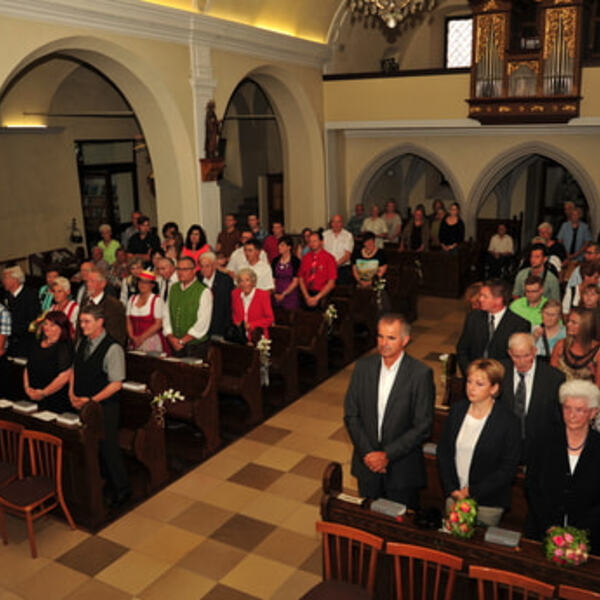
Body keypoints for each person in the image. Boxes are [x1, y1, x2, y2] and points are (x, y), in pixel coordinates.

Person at [344, 314, 434, 509]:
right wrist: (368, 453)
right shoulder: (363, 367)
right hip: (367, 466)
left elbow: (423, 426)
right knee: (368, 522)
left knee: (399, 525)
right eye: (380, 336)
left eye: (391, 338)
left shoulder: (420, 374)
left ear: (405, 340)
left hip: (401, 469)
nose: (384, 343)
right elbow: (351, 415)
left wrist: (386, 455)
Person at [437, 359, 521, 526]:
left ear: (494, 388)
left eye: (479, 384)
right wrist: (453, 489)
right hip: (454, 497)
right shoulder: (457, 411)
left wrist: (471, 492)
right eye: (469, 381)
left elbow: (507, 468)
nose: (471, 387)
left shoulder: (508, 421)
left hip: (488, 503)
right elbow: (444, 452)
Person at [526, 380, 600, 555]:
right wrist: (550, 526)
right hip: (542, 531)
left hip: (589, 537)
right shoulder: (544, 439)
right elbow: (532, 485)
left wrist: (578, 532)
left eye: (579, 410)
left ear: (593, 413)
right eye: (567, 408)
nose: (572, 415)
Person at [69, 304, 130, 507]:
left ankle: (122, 489)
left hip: (105, 407)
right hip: (83, 403)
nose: (82, 325)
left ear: (100, 322)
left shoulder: (113, 348)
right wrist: (72, 393)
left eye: (86, 321)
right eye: (81, 321)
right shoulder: (81, 343)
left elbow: (116, 384)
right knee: (89, 446)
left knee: (108, 448)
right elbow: (74, 370)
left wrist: (92, 400)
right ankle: (100, 482)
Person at [499, 333, 565, 461]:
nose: (522, 362)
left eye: (527, 356)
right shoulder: (499, 371)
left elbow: (557, 418)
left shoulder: (553, 378)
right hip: (503, 445)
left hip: (539, 447)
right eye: (516, 356)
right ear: (509, 353)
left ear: (535, 351)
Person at [457, 279, 530, 375]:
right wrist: (469, 371)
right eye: (481, 295)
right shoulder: (473, 317)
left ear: (498, 300)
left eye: (485, 296)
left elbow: (517, 359)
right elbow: (462, 349)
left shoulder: (519, 325)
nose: (480, 299)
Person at [23, 311, 73, 413]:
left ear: (61, 328)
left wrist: (43, 393)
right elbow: (27, 367)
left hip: (53, 399)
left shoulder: (64, 347)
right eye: (45, 324)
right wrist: (27, 387)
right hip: (31, 395)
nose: (47, 327)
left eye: (52, 325)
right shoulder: (37, 343)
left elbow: (65, 376)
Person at [163, 256, 212, 357]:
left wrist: (182, 341)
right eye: (178, 269)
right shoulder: (173, 288)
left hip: (195, 346)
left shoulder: (204, 291)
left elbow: (203, 322)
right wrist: (170, 336)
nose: (181, 272)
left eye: (185, 269)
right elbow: (166, 314)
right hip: (174, 343)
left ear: (194, 270)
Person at [78, 268, 127, 347]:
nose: (88, 284)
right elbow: (79, 329)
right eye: (87, 281)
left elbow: (117, 334)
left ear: (103, 284)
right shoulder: (85, 301)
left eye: (92, 281)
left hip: (106, 350)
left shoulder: (114, 305)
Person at [551, 307, 600, 386]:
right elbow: (551, 376)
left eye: (574, 322)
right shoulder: (560, 345)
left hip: (587, 396)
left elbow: (598, 386)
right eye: (568, 321)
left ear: (586, 326)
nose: (568, 324)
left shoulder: (597, 352)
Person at [1, 265, 40, 358]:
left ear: (15, 279)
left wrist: (9, 330)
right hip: (8, 345)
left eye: (5, 278)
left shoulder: (31, 295)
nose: (3, 281)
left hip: (25, 344)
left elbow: (31, 321)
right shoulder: (3, 296)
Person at [126, 270, 165, 352]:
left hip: (151, 340)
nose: (142, 285)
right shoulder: (132, 299)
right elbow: (128, 321)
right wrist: (132, 337)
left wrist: (141, 338)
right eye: (140, 281)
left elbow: (158, 324)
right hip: (134, 340)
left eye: (146, 282)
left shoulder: (157, 300)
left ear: (152, 285)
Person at [231, 268, 275, 342]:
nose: (244, 284)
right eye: (241, 281)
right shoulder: (235, 294)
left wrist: (251, 325)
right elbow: (234, 314)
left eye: (247, 280)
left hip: (258, 336)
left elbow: (270, 319)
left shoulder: (263, 295)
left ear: (253, 282)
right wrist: (238, 324)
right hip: (239, 336)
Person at [298, 231, 337, 309]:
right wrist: (306, 296)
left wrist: (317, 298)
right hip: (306, 294)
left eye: (315, 241)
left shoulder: (329, 258)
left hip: (322, 294)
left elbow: (331, 283)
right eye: (310, 241)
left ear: (321, 242)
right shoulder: (306, 258)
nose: (312, 244)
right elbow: (301, 278)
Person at [198, 251, 234, 338]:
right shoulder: (197, 279)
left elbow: (228, 305)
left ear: (214, 266)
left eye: (207, 266)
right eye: (202, 266)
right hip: (200, 325)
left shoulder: (225, 280)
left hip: (219, 325)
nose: (204, 269)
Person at [323, 214, 354, 285]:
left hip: (342, 268)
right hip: (326, 268)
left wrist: (334, 265)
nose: (336, 224)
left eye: (338, 222)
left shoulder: (348, 236)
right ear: (331, 224)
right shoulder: (325, 235)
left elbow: (347, 256)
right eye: (334, 222)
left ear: (342, 224)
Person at [271, 235, 300, 310]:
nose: (279, 247)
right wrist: (275, 293)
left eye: (282, 245)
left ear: (289, 247)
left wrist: (284, 294)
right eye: (279, 245)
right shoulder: (275, 261)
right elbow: (273, 279)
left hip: (290, 294)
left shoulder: (295, 261)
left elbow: (296, 281)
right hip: (277, 293)